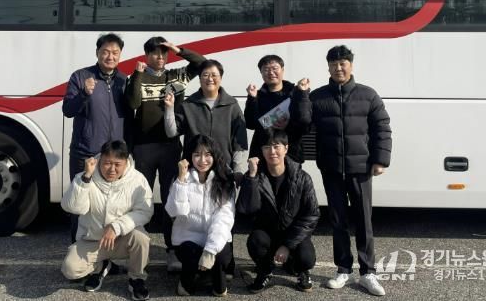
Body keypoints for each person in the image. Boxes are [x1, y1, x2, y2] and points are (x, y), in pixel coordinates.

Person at [309, 45, 392, 297]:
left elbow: (382, 128)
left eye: (342, 63)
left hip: (361, 169)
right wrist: (300, 96)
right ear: (328, 67)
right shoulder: (318, 97)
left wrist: (380, 160)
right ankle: (343, 269)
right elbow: (302, 123)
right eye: (333, 64)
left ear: (351, 65)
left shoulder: (368, 95)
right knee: (338, 221)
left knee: (364, 221)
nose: (338, 68)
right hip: (331, 168)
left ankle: (368, 272)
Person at [126, 37, 205, 272]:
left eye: (163, 53)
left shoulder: (176, 76)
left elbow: (202, 64)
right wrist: (137, 75)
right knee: (141, 198)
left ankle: (172, 250)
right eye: (154, 53)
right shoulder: (137, 77)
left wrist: (179, 50)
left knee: (172, 199)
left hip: (170, 146)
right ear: (146, 55)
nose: (160, 57)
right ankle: (139, 250)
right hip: (144, 147)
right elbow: (133, 103)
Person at [61, 140, 153, 301]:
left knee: (141, 238)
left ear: (126, 162)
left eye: (117, 164)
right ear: (99, 160)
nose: (112, 169)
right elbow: (73, 208)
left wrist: (117, 227)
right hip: (93, 240)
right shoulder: (85, 176)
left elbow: (145, 212)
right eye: (107, 163)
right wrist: (86, 179)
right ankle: (101, 266)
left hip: (123, 239)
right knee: (70, 269)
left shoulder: (138, 179)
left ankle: (137, 278)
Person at [62, 32, 131, 242]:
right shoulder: (80, 77)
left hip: (114, 156)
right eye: (105, 52)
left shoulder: (123, 80)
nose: (110, 56)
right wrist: (84, 93)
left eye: (115, 52)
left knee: (111, 206)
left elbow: (129, 115)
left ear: (120, 55)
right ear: (97, 53)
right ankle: (77, 247)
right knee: (80, 203)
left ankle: (108, 253)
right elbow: (68, 110)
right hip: (86, 153)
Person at [237, 128, 319, 293]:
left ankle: (300, 270)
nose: (272, 151)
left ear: (286, 148)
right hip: (268, 233)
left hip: (293, 233)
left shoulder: (302, 177)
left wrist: (287, 245)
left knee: (306, 258)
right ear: (261, 151)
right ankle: (265, 270)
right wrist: (251, 177)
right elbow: (246, 209)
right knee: (255, 241)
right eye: (267, 147)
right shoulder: (255, 175)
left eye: (276, 146)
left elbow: (311, 215)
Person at [165, 134, 236, 297]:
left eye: (207, 154)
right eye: (197, 154)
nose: (202, 160)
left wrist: (210, 250)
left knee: (220, 267)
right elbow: (175, 211)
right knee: (189, 255)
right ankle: (187, 282)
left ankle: (217, 281)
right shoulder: (181, 178)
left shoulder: (224, 180)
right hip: (188, 239)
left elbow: (224, 219)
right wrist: (181, 180)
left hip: (216, 239)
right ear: (189, 157)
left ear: (215, 156)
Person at [164, 59, 248, 183]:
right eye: (205, 75)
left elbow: (240, 141)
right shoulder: (188, 104)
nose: (210, 79)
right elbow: (172, 132)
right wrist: (169, 108)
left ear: (221, 78)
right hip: (194, 170)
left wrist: (237, 169)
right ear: (199, 78)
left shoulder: (231, 105)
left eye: (214, 75)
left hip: (223, 170)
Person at [245, 54, 311, 163]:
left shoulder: (296, 93)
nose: (271, 72)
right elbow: (250, 124)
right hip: (262, 153)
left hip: (292, 152)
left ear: (283, 70)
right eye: (266, 69)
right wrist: (252, 99)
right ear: (261, 73)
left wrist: (289, 124)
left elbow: (306, 125)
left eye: (274, 68)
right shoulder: (257, 95)